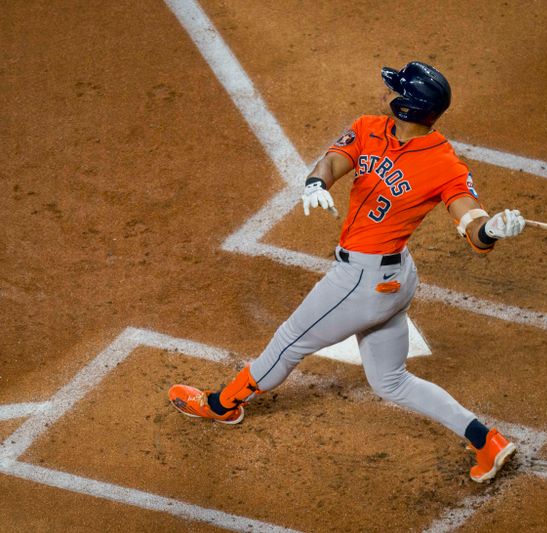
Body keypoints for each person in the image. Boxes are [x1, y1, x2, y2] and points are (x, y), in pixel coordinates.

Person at [169, 61, 526, 483]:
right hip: (394, 279)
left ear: (407, 106)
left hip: (361, 282)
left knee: (288, 343)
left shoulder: (444, 164)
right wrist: (316, 183)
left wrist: (490, 229)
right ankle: (486, 440)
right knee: (391, 381)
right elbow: (335, 161)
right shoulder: (369, 127)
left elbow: (472, 226)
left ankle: (220, 405)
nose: (385, 93)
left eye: (394, 90)